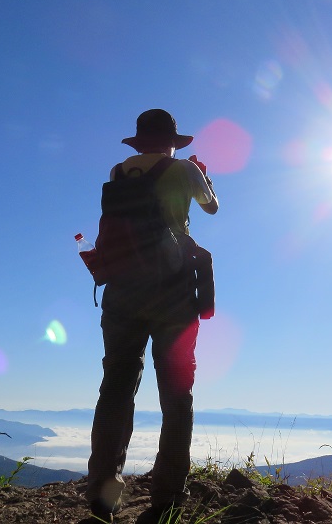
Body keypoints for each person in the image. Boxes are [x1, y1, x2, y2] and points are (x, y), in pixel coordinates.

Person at [84, 109, 218, 524]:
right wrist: (202, 175)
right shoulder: (184, 169)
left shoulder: (119, 173)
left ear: (139, 143)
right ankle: (167, 500)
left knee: (116, 390)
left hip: (121, 291)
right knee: (176, 395)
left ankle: (103, 498)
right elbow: (211, 208)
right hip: (172, 292)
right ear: (173, 141)